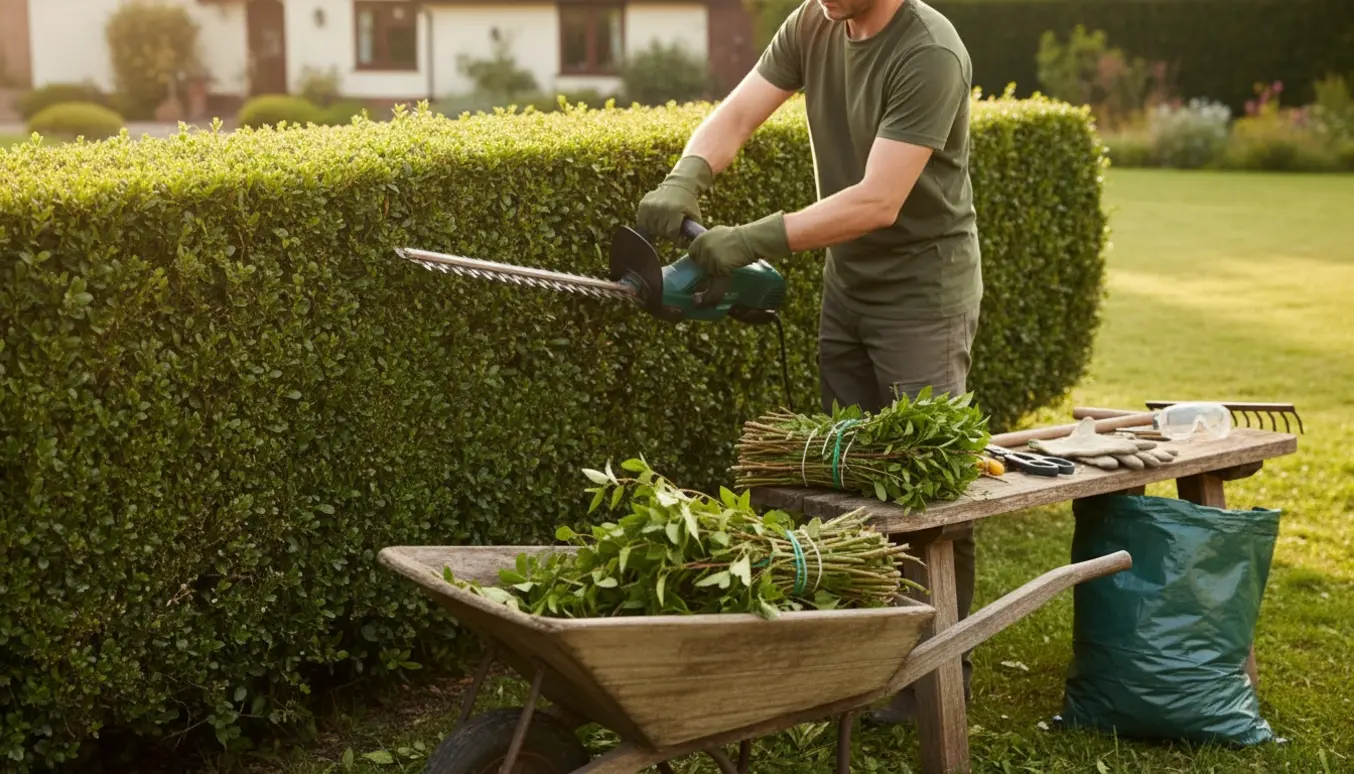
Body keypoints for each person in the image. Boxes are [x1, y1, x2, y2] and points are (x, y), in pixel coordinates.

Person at [635, 0, 981, 723]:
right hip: (847, 288)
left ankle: (938, 677)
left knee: (927, 490)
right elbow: (735, 115)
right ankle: (871, 660)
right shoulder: (814, 23)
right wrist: (686, 175)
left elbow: (880, 199)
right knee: (850, 479)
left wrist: (753, 238)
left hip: (923, 293)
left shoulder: (929, 53)